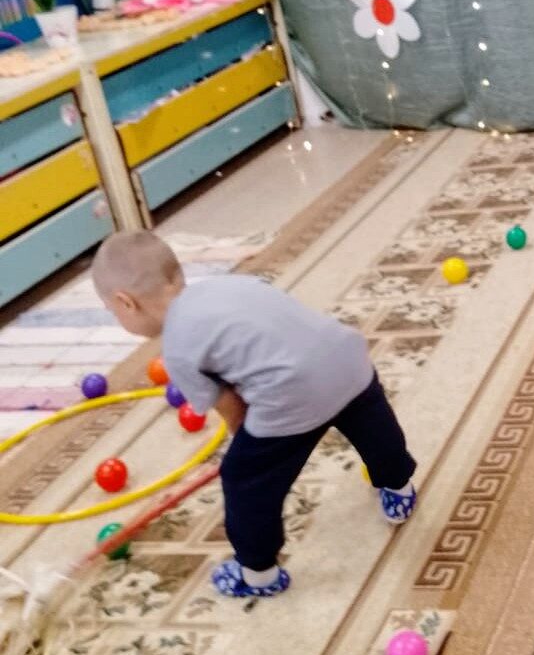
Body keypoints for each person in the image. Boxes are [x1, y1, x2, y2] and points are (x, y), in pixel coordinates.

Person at [91, 232, 417, 598]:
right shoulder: (231, 284)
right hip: (349, 359)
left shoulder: (177, 349)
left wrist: (248, 453)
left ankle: (258, 573)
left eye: (112, 312)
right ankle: (398, 488)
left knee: (244, 480)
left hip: (294, 392)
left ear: (126, 302)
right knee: (373, 428)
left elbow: (234, 412)